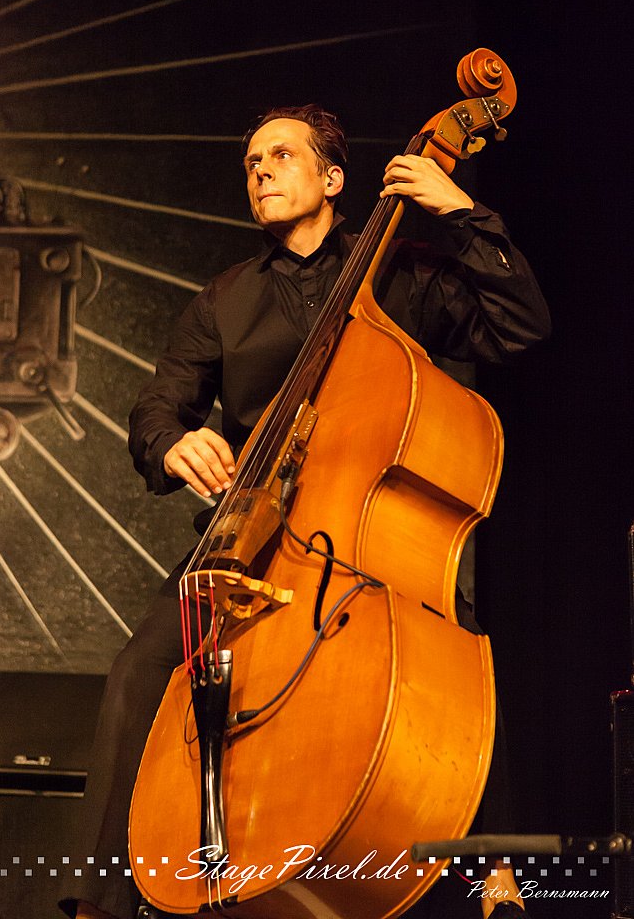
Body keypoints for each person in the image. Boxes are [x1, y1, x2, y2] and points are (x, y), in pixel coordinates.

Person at [60, 104, 550, 919]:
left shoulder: (403, 273)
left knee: (455, 661)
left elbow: (520, 326)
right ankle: (100, 905)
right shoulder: (224, 299)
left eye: (280, 156)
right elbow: (156, 407)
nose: (259, 170)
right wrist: (173, 442)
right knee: (141, 669)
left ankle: (494, 886)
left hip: (369, 536)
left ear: (332, 179)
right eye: (251, 162)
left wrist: (462, 214)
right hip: (252, 533)